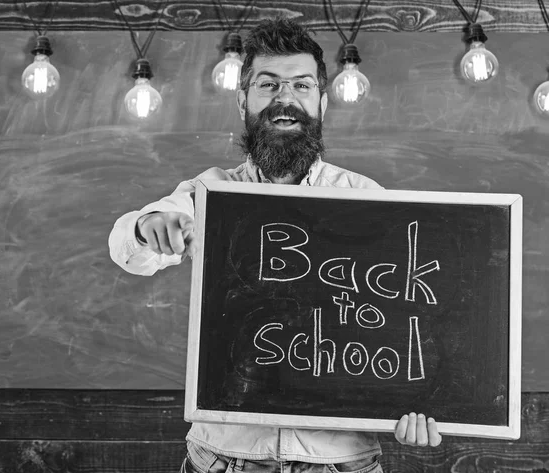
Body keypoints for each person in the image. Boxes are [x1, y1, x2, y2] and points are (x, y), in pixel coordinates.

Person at [109, 17, 442, 473]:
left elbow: (407, 327)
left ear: (322, 102)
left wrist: (420, 403)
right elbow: (127, 248)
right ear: (243, 100)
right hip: (225, 457)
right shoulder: (211, 193)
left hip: (341, 460)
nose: (285, 98)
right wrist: (151, 224)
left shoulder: (368, 201)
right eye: (269, 85)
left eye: (301, 86)